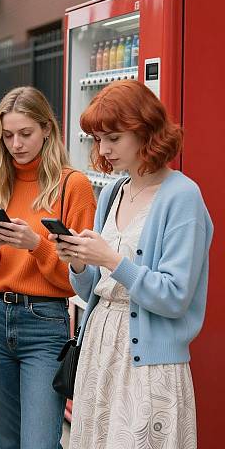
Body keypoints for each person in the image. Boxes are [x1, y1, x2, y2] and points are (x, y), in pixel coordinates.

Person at [52, 80, 213, 448]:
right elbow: (91, 287)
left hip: (149, 361)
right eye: (96, 139)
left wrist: (111, 259)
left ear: (145, 131)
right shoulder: (112, 192)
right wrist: (78, 263)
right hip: (99, 349)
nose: (103, 149)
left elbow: (175, 297)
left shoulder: (182, 197)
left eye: (113, 137)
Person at [0, 86, 96, 449]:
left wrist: (36, 245)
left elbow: (76, 281)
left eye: (26, 133)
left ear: (47, 130)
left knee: (38, 443)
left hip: (45, 325)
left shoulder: (74, 187)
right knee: (7, 443)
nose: (16, 144)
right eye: (8, 135)